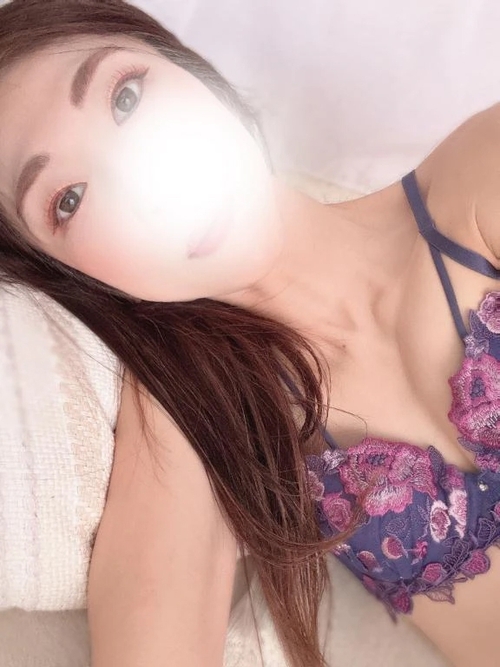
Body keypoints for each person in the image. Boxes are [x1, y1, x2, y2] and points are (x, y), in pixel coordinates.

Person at [0, 1, 498, 665]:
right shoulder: (195, 418)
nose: (141, 184)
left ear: (188, 70)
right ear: (67, 274)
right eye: (69, 199)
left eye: (125, 97)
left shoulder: (479, 177)